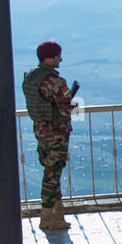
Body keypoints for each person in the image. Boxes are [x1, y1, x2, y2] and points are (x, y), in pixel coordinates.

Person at [22, 41, 79, 231]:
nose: (60, 59)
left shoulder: (31, 77)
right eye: (58, 56)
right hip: (56, 133)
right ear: (50, 57)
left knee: (50, 170)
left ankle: (57, 211)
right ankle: (47, 215)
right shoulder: (54, 81)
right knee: (52, 174)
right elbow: (66, 106)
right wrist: (73, 102)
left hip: (41, 131)